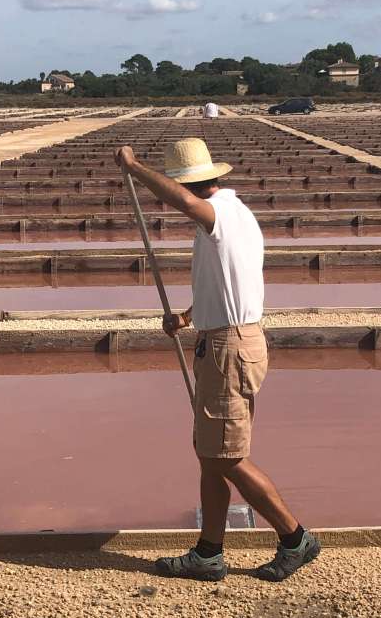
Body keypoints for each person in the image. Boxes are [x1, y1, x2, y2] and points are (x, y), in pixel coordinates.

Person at [115, 137, 320, 582]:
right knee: (210, 454)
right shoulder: (232, 216)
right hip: (222, 340)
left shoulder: (221, 214)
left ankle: (294, 538)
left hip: (230, 348)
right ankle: (208, 554)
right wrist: (189, 317)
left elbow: (187, 203)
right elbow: (229, 284)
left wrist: (135, 169)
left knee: (227, 456)